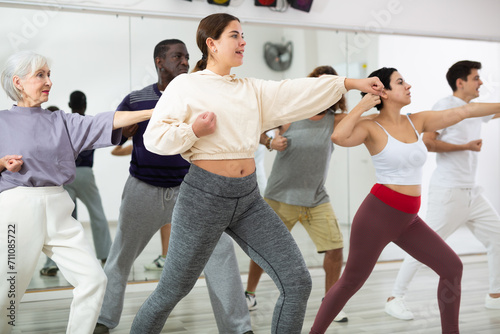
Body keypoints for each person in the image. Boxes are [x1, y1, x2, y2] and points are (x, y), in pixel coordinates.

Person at [130, 13, 384, 334]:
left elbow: (295, 91)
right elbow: (156, 138)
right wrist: (194, 129)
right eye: (235, 36)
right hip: (203, 197)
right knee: (172, 291)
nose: (243, 42)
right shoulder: (186, 86)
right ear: (212, 44)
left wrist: (350, 83)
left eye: (243, 35)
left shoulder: (251, 89)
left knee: (297, 282)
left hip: (247, 197)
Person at [309, 67, 500, 334]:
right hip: (377, 216)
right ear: (382, 91)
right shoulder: (369, 126)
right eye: (401, 82)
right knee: (351, 281)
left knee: (452, 267)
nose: (408, 85)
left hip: (408, 219)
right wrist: (363, 105)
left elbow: (464, 111)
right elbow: (338, 137)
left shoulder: (417, 121)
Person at [94, 39, 253, 334]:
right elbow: (115, 131)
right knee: (120, 257)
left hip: (192, 192)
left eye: (186, 57)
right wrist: (124, 131)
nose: (184, 61)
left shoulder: (200, 97)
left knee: (221, 255)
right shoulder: (136, 99)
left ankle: (239, 328)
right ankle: (103, 320)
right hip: (143, 190)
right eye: (177, 56)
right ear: (159, 61)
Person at [0, 50, 152, 334]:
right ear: (18, 82)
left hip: (59, 208)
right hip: (17, 211)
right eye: (40, 75)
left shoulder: (62, 121)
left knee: (94, 280)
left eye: (49, 75)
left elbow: (103, 121)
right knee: (6, 294)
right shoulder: (1, 122)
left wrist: (153, 111)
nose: (48, 81)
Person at [385, 60, 500, 320]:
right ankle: (395, 297)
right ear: (461, 82)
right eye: (476, 78)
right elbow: (428, 142)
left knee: (497, 237)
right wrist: (466, 146)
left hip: (473, 192)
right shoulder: (444, 107)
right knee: (424, 248)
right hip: (448, 192)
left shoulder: (473, 108)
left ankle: (495, 295)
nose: (480, 82)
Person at [244, 65, 349, 323]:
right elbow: (252, 128)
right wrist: (270, 142)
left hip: (316, 198)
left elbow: (361, 120)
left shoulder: (335, 120)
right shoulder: (289, 114)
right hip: (281, 197)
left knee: (335, 248)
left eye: (329, 85)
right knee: (263, 250)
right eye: (319, 84)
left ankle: (330, 302)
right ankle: (249, 293)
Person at [40, 91, 112, 276]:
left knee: (62, 219)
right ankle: (106, 256)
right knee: (97, 214)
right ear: (85, 104)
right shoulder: (88, 122)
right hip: (86, 173)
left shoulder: (64, 122)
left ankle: (51, 263)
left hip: (66, 175)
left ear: (69, 104)